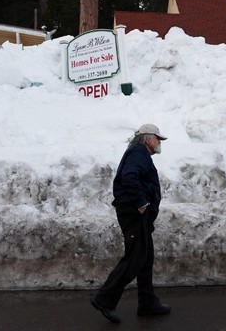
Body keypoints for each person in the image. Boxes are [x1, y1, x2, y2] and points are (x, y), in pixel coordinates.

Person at [90, 124, 172, 323]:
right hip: (134, 214)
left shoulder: (140, 154)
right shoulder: (138, 152)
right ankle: (105, 299)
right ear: (147, 139)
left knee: (146, 257)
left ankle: (147, 302)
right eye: (157, 138)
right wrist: (142, 202)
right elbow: (129, 177)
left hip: (138, 215)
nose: (159, 142)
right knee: (135, 258)